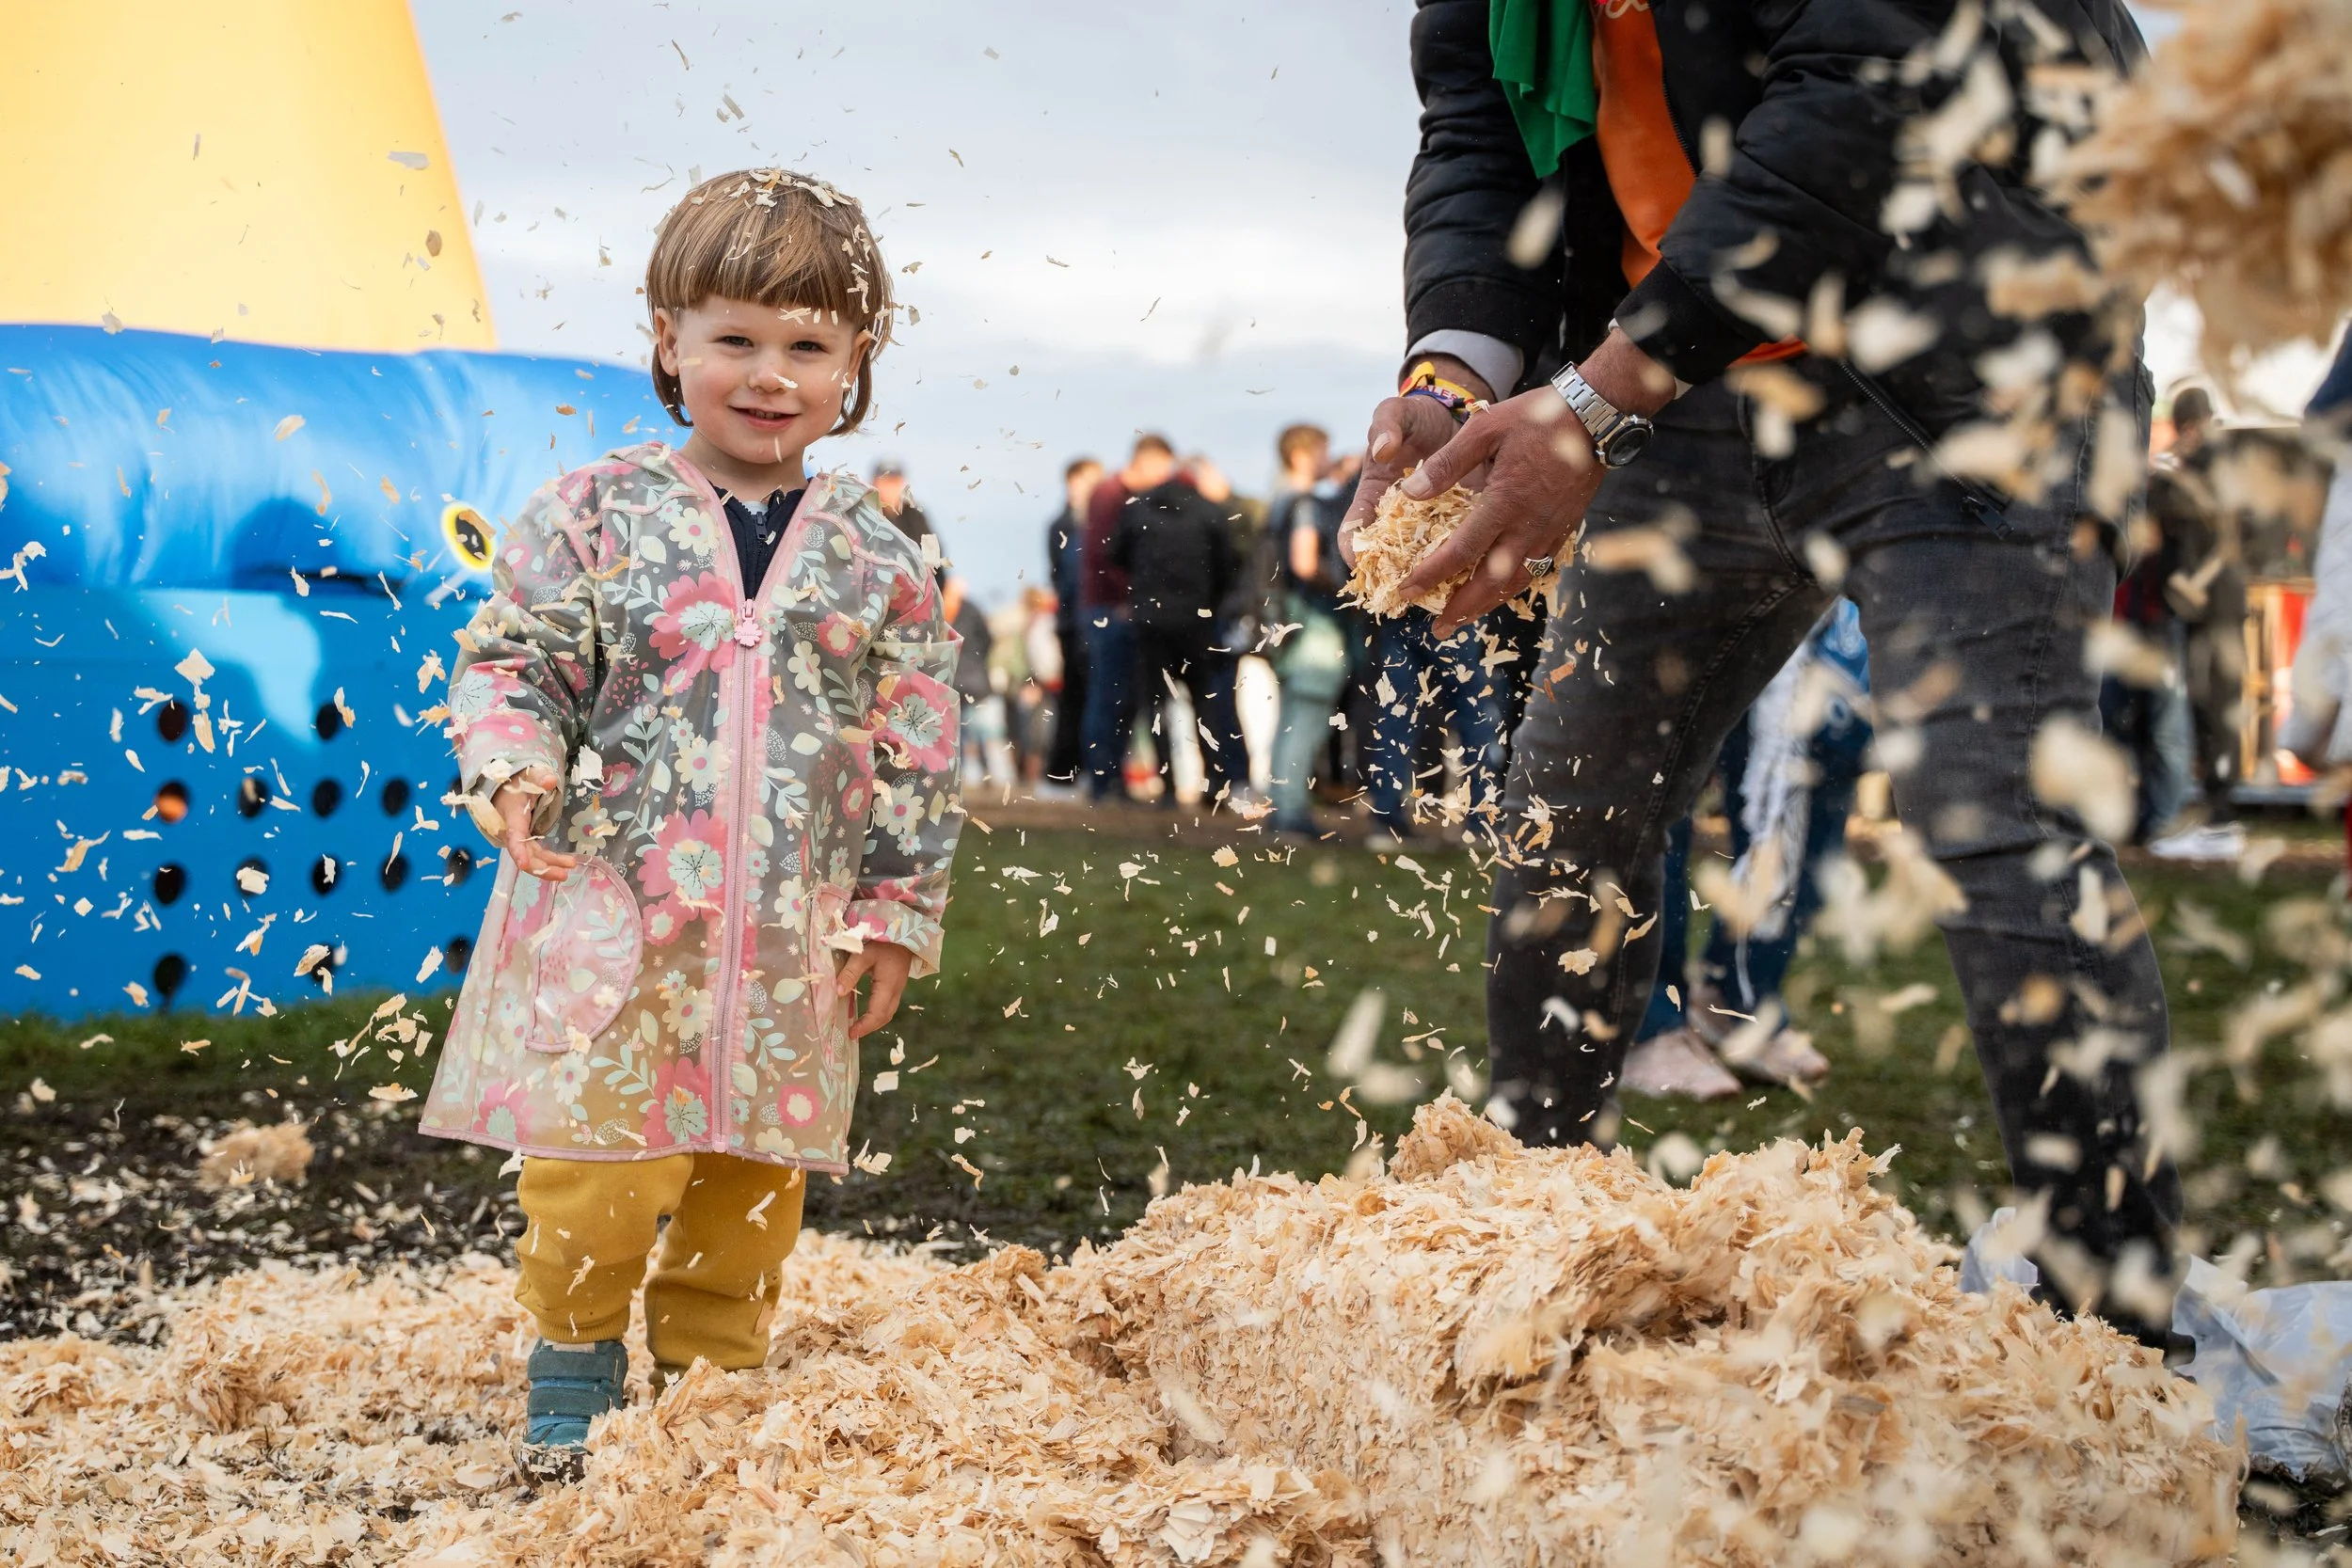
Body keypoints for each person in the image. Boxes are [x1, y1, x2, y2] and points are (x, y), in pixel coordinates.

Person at [1348, 1, 2178, 1343]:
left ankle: (2117, 1326)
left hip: (1969, 348)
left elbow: (1859, 93)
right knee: (1572, 802)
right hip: (1694, 367)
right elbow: (1479, 146)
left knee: (2000, 809)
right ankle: (1532, 1251)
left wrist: (1597, 400)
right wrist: (1453, 373)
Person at [421, 167, 963, 1465]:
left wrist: (891, 912)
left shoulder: (883, 562)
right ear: (668, 340)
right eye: (734, 338)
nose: (769, 374)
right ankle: (573, 1348)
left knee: (756, 1176)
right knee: (595, 1162)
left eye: (807, 345)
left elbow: (921, 751)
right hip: (620, 916)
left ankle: (713, 1376)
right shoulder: (591, 516)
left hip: (791, 935)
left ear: (856, 366)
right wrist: (512, 764)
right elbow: (514, 661)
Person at [1624, 604, 1869, 1097]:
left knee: (1820, 754)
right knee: (1661, 764)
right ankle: (1646, 1021)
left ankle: (1736, 995)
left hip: (1810, 575)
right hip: (1690, 558)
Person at [2143, 388, 2249, 861]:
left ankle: (2222, 818)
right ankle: (2217, 813)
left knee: (2215, 704)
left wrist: (2195, 580)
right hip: (2203, 605)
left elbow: (2232, 534)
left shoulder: (2214, 466)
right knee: (2209, 705)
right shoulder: (2194, 466)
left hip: (2213, 604)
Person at [1109, 448, 1248, 805]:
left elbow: (1115, 555)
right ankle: (1215, 783)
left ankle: (1168, 787)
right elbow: (1228, 567)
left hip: (1150, 619)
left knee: (1156, 703)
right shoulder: (1210, 512)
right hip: (1196, 620)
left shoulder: (1138, 510)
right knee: (1206, 702)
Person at [1079, 436, 1178, 801]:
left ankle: (1110, 778)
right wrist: (1128, 597)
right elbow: (1102, 555)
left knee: (1123, 698)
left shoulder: (1120, 495)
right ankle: (1103, 779)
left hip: (1119, 607)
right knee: (1110, 695)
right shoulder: (1110, 495)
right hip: (1111, 609)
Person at [1041, 457, 1102, 794]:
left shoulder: (1079, 523)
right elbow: (1062, 577)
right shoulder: (1065, 526)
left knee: (1087, 697)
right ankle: (1066, 771)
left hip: (1080, 619)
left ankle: (1083, 770)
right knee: (1077, 698)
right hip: (1075, 622)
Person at [869, 460, 938, 559]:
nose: (890, 488)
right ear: (874, 483)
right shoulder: (864, 512)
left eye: (894, 482)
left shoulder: (915, 515)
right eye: (886, 482)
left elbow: (933, 556)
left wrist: (945, 574)